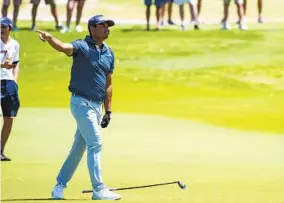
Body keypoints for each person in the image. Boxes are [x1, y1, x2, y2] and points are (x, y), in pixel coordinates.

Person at [36, 14, 121, 200]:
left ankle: (59, 186)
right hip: (81, 103)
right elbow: (65, 47)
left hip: (96, 107)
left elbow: (108, 83)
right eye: (102, 25)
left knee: (78, 148)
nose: (107, 28)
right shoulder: (81, 46)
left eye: (108, 26)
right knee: (96, 143)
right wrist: (51, 39)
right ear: (92, 28)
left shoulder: (109, 52)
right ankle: (99, 190)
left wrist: (108, 110)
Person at [0, 17, 20, 161]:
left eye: (4, 27)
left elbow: (15, 63)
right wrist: (2, 66)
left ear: (9, 28)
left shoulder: (15, 44)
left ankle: (0, 151)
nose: (1, 29)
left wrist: (15, 79)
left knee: (10, 117)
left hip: (9, 83)